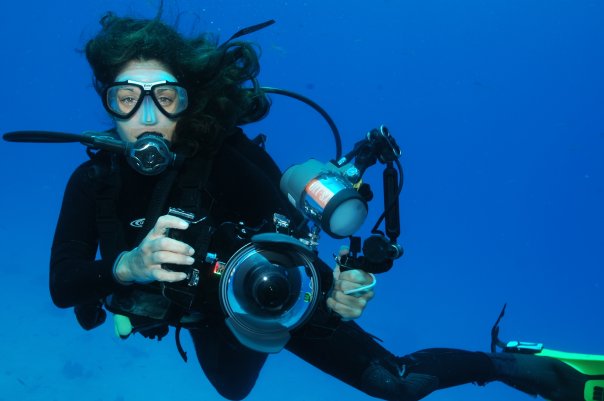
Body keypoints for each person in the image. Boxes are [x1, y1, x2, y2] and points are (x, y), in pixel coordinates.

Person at [45, 9, 598, 401]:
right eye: (125, 97)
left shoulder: (223, 156)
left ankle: (519, 366)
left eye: (165, 97)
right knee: (233, 390)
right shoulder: (94, 181)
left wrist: (333, 293)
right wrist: (127, 265)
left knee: (399, 384)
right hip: (202, 316)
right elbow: (63, 284)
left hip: (268, 294)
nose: (146, 117)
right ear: (107, 103)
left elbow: (294, 232)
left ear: (186, 103)